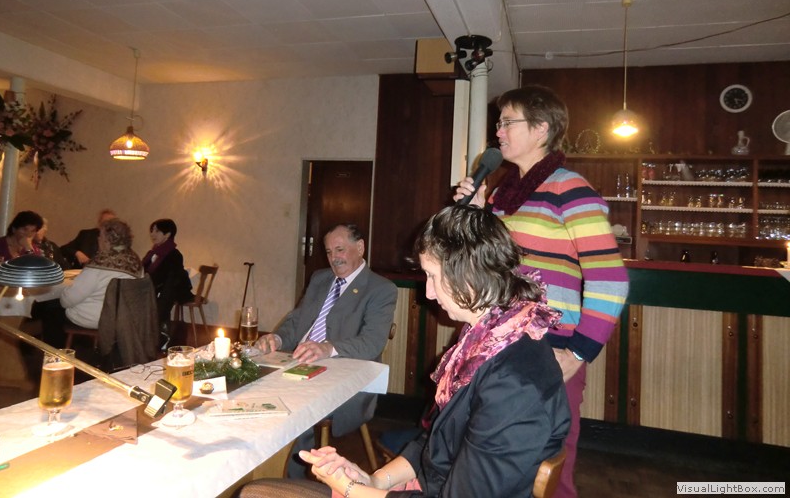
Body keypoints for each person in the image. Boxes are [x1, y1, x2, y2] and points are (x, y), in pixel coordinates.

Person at [239, 205, 570, 498]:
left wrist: (354, 490)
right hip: (425, 486)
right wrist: (374, 479)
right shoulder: (485, 342)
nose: (428, 292)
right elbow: (436, 443)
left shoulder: (514, 379)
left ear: (468, 273)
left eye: (432, 276)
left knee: (255, 493)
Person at [454, 84, 629, 498]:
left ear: (540, 129)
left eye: (507, 122)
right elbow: (493, 267)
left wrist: (579, 352)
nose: (498, 132)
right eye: (498, 123)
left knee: (545, 468)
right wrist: (477, 213)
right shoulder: (504, 193)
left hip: (548, 348)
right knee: (489, 460)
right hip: (497, 341)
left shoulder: (570, 188)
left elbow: (610, 278)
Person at [255, 223, 397, 479]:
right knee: (254, 394)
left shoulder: (380, 289)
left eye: (340, 249)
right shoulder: (320, 279)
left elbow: (372, 343)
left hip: (344, 377)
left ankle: (286, 483)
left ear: (360, 247)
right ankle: (254, 471)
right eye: (329, 252)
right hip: (296, 362)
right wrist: (277, 338)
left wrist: (328, 348)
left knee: (294, 413)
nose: (334, 258)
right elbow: (297, 321)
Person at [57, 218, 143, 336]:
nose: (98, 238)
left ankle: (56, 347)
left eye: (100, 235)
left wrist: (63, 295)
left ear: (107, 241)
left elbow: (68, 300)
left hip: (94, 319)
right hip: (124, 319)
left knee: (54, 309)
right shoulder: (136, 261)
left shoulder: (98, 264)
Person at [141, 218, 193, 346]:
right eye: (152, 230)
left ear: (167, 234)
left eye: (157, 231)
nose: (152, 234)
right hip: (153, 290)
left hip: (165, 293)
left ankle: (158, 337)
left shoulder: (174, 255)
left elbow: (169, 280)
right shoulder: (152, 253)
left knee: (162, 298)